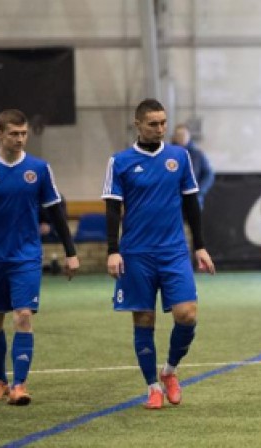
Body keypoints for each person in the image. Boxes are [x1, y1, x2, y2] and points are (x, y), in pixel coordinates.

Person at [0, 109, 80, 405]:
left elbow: (56, 213)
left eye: (24, 133)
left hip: (26, 256)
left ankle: (19, 385)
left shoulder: (39, 169)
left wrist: (71, 251)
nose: (20, 139)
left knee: (23, 316)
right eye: (14, 133)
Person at [103, 98, 215, 410]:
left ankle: (169, 371)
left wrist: (200, 246)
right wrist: (113, 250)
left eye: (164, 123)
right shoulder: (120, 161)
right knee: (144, 318)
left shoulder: (180, 157)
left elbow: (192, 203)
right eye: (153, 124)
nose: (160, 129)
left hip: (174, 251)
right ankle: (152, 387)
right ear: (138, 125)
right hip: (136, 253)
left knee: (187, 314)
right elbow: (112, 208)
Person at [170, 124, 215, 208]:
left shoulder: (198, 154)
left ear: (189, 136)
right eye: (179, 135)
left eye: (184, 135)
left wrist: (199, 190)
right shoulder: (168, 155)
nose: (182, 137)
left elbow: (208, 175)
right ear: (175, 137)